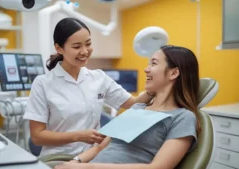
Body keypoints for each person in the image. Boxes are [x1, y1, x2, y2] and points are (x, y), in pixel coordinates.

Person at [23, 17, 154, 158]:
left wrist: (155, 87)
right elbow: (37, 137)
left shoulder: (99, 78)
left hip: (94, 155)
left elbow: (132, 103)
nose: (85, 51)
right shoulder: (43, 83)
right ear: (59, 48)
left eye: (88, 44)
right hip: (58, 157)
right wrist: (78, 136)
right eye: (77, 46)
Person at [54, 45, 201, 169]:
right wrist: (75, 162)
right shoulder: (137, 109)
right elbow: (100, 147)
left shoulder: (183, 117)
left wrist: (87, 167)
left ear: (174, 73)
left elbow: (157, 168)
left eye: (154, 64)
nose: (146, 69)